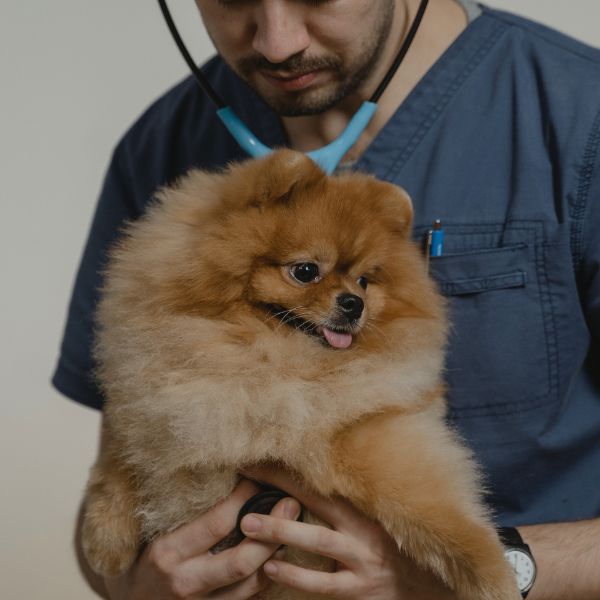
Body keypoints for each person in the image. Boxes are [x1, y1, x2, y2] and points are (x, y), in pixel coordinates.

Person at [52, 0, 600, 598]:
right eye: (232, 0)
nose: (277, 41)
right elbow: (111, 514)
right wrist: (141, 586)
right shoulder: (160, 146)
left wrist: (490, 571)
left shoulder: (578, 116)